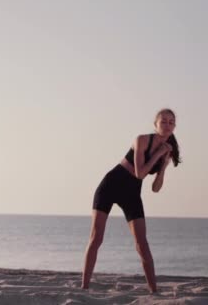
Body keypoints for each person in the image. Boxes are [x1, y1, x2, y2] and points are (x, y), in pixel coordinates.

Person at [81, 108, 181, 293]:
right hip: (110, 186)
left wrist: (164, 165)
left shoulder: (167, 152)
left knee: (142, 243)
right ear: (155, 124)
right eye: (163, 121)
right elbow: (139, 173)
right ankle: (84, 287)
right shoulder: (141, 140)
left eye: (171, 122)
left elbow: (156, 188)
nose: (167, 125)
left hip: (132, 194)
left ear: (174, 126)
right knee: (96, 238)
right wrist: (158, 154)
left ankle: (154, 291)